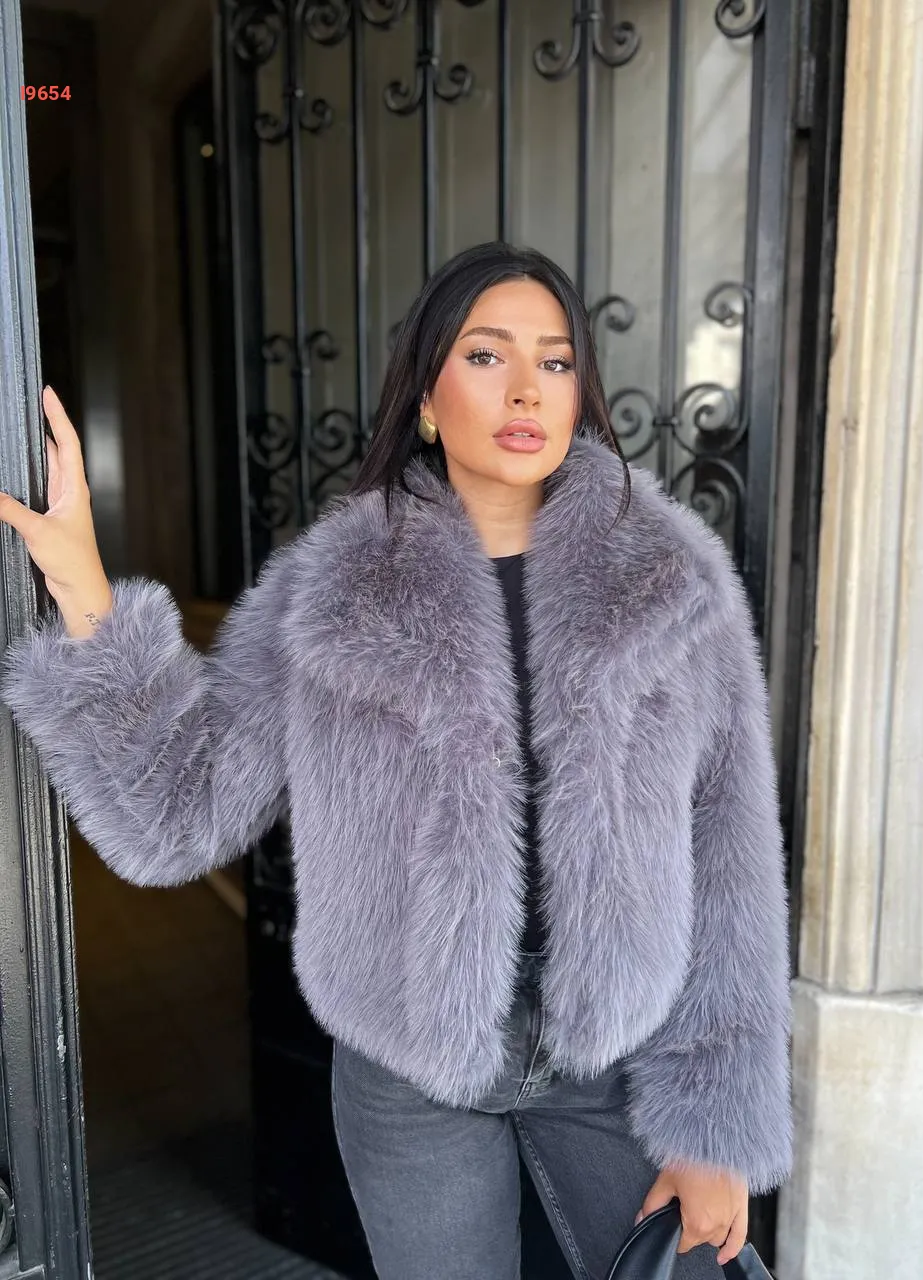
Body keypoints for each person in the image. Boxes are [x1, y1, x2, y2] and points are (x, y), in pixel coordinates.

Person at [0, 242, 792, 1280]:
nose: (526, 389)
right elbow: (176, 809)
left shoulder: (672, 583)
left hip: (621, 1059)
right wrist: (82, 583)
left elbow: (732, 858)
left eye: (556, 361)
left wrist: (716, 1123)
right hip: (409, 1070)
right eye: (486, 355)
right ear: (426, 395)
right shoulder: (332, 590)